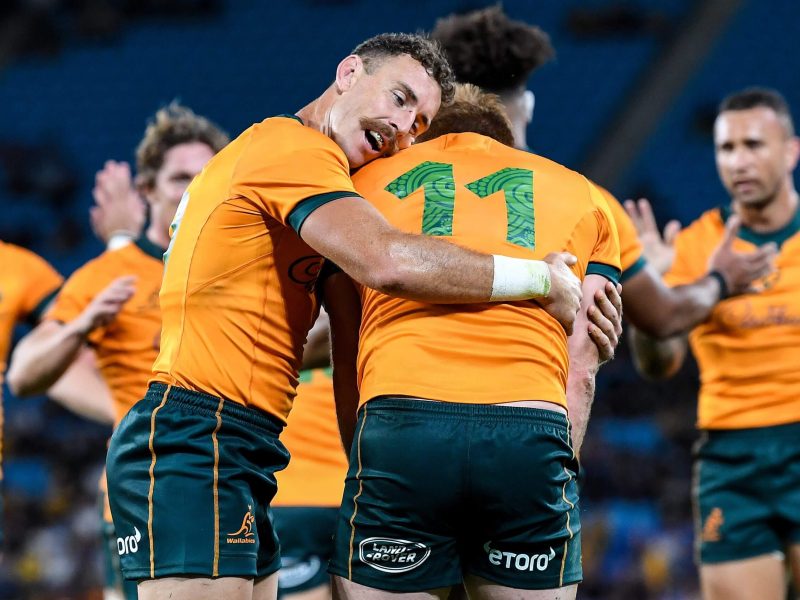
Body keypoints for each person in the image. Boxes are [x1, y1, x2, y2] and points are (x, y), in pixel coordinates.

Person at [102, 33, 587, 600]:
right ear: (349, 72)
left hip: (243, 445)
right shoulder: (292, 148)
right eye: (400, 98)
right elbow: (388, 260)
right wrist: (539, 280)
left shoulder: (306, 180)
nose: (405, 129)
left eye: (421, 124)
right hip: (193, 434)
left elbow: (334, 344)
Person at [322, 83, 621, 600]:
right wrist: (554, 469)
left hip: (401, 426)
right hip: (528, 432)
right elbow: (583, 368)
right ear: (507, 144)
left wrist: (365, 459)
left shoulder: (361, 185)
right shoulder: (585, 195)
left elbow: (346, 352)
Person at [430, 5, 776, 340]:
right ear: (528, 105)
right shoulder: (588, 199)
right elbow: (664, 316)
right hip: (533, 391)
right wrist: (721, 279)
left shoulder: (399, 181)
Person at [7, 103, 228, 600]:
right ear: (146, 189)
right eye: (179, 179)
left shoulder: (242, 269)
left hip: (233, 491)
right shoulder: (108, 275)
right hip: (143, 499)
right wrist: (80, 327)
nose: (192, 191)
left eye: (206, 177)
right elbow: (24, 374)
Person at [628, 88, 800, 600]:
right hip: (730, 455)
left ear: (791, 151)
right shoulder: (694, 248)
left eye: (754, 144)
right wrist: (649, 305)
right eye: (727, 149)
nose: (739, 161)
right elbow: (661, 365)